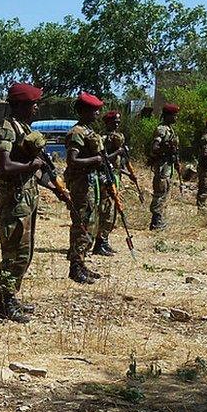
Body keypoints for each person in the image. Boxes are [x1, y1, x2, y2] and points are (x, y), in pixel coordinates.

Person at [0, 83, 48, 322]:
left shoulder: (23, 128)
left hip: (27, 198)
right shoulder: (7, 131)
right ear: (20, 105)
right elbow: (3, 166)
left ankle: (12, 297)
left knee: (25, 252)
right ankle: (5, 304)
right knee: (13, 253)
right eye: (32, 104)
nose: (36, 108)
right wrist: (31, 166)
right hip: (14, 201)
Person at [64, 92, 106, 283]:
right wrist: (95, 160)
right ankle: (75, 266)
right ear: (83, 111)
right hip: (81, 185)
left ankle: (81, 263)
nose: (97, 113)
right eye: (93, 110)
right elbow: (72, 160)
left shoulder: (89, 131)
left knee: (90, 224)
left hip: (91, 182)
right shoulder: (77, 133)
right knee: (81, 224)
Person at [95, 110, 125, 256]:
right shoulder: (104, 138)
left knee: (112, 211)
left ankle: (104, 240)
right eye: (115, 121)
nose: (117, 123)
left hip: (115, 175)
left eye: (119, 121)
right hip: (106, 177)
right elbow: (103, 159)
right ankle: (99, 243)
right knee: (105, 210)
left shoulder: (117, 137)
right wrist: (117, 152)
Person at [148, 103, 181, 229]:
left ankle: (159, 218)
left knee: (165, 190)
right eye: (174, 115)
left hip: (168, 165)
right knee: (160, 191)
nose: (176, 118)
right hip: (162, 165)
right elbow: (155, 147)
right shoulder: (162, 129)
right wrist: (166, 147)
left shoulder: (170, 129)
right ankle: (156, 221)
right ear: (168, 116)